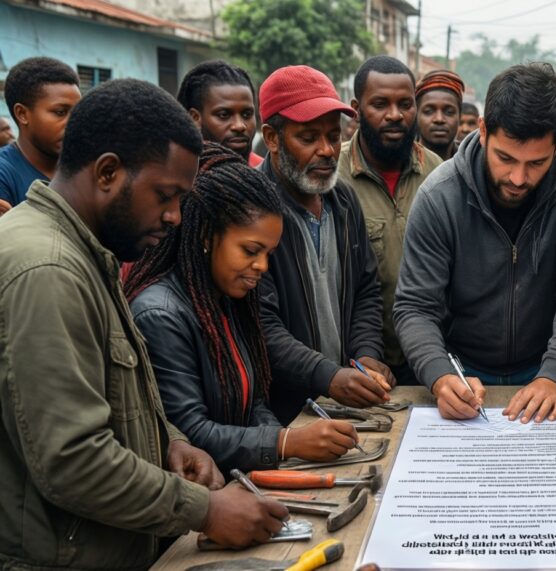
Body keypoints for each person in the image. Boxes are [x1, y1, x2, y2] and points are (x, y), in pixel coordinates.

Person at [0, 79, 289, 568]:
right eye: (166, 195)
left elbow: (112, 397)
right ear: (108, 172)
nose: (177, 216)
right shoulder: (48, 270)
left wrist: (170, 440)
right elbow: (73, 461)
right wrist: (207, 509)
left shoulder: (88, 252)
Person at [127, 143, 362, 474]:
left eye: (269, 253)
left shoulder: (228, 299)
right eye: (251, 250)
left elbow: (252, 402)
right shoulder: (160, 315)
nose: (262, 266)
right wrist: (284, 443)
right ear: (207, 235)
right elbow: (190, 433)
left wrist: (283, 437)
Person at [394, 62, 556, 423]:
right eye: (505, 158)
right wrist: (439, 374)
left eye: (537, 163)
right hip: (464, 371)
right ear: (482, 130)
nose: (519, 178)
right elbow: (415, 306)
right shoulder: (439, 196)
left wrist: (554, 374)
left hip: (545, 365)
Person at [257, 65, 392, 424]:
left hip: (345, 405)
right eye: (308, 137)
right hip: (279, 414)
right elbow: (259, 324)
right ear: (272, 138)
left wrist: (366, 356)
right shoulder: (251, 211)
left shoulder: (343, 201)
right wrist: (326, 376)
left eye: (333, 136)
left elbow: (365, 289)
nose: (328, 150)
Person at [339, 56, 443, 384]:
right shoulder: (334, 177)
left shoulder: (438, 172)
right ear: (357, 109)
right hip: (361, 363)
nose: (395, 115)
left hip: (433, 358)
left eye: (405, 104)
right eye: (380, 104)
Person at [0, 57, 81, 214]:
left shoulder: (83, 168)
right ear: (22, 114)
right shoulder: (4, 174)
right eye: (60, 112)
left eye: (77, 112)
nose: (73, 123)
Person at [177, 59, 264, 168]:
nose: (239, 126)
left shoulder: (262, 172)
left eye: (246, 114)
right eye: (224, 115)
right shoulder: (175, 176)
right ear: (194, 119)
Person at [416, 69, 465, 160]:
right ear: (416, 115)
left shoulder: (473, 166)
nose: (439, 119)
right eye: (428, 111)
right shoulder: (399, 164)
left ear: (459, 116)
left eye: (449, 112)